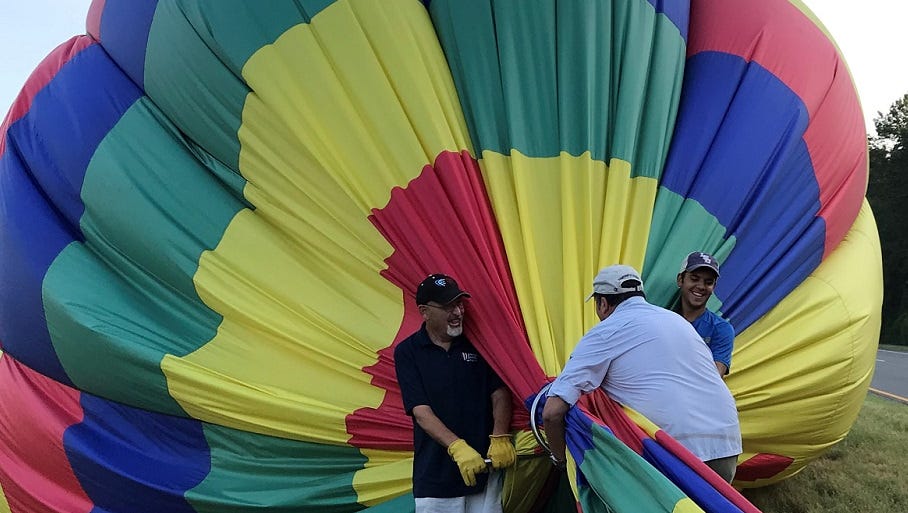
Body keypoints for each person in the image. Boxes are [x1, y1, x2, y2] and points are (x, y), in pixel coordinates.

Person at [541, 265, 741, 483]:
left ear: (603, 303)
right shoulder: (677, 322)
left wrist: (560, 460)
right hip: (726, 440)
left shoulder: (605, 332)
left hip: (674, 448)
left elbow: (552, 413)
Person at [394, 273, 517, 513]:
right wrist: (456, 447)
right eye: (447, 306)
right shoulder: (408, 352)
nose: (458, 312)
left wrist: (500, 435)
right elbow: (421, 411)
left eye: (459, 304)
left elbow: (500, 392)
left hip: (485, 472)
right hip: (435, 479)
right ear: (424, 311)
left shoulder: (478, 344)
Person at [676, 252, 735, 377]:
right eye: (694, 279)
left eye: (708, 282)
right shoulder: (662, 321)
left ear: (714, 287)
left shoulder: (721, 328)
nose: (701, 286)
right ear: (680, 280)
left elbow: (713, 379)